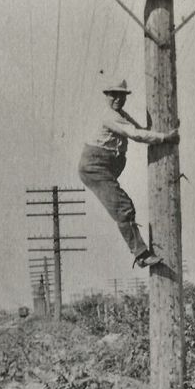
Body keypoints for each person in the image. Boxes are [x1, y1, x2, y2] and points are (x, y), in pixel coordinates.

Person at [77, 79, 179, 268]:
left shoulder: (121, 115)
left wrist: (166, 128)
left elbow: (140, 130)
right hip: (95, 167)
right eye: (112, 95)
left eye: (120, 95)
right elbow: (136, 135)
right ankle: (141, 254)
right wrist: (165, 137)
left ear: (125, 97)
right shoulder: (109, 116)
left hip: (106, 166)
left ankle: (141, 253)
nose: (117, 99)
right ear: (106, 96)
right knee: (124, 208)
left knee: (124, 207)